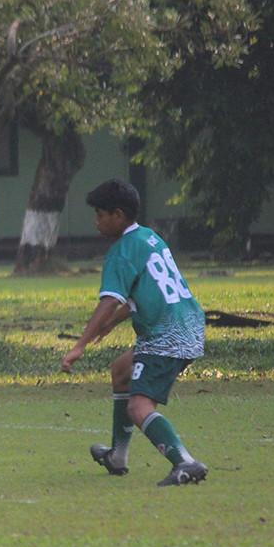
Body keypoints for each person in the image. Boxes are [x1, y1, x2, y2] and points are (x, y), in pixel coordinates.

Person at [61, 178, 208, 487]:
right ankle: (117, 456)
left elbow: (110, 299)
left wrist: (80, 345)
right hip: (189, 323)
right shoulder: (149, 238)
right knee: (121, 372)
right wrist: (114, 323)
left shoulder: (122, 250)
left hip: (166, 335)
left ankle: (185, 462)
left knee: (139, 407)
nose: (96, 221)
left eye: (101, 215)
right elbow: (147, 291)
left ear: (118, 214)